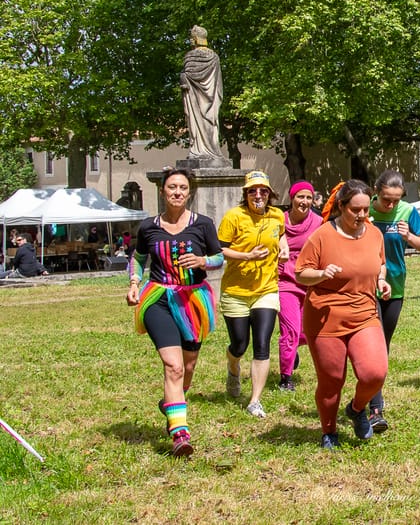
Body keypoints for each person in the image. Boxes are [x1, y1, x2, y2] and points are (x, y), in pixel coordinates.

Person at [126, 166, 224, 457]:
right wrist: (134, 283)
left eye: (182, 188)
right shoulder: (148, 227)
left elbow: (220, 258)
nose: (177, 192)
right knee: (174, 366)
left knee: (189, 369)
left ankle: (171, 402)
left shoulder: (203, 224)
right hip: (158, 297)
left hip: (193, 300)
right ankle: (180, 434)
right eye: (172, 188)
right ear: (162, 191)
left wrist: (204, 261)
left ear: (189, 192)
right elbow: (138, 258)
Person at [295, 180, 391, 449]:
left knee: (375, 373)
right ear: (341, 206)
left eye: (365, 210)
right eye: (355, 210)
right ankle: (329, 431)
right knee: (332, 380)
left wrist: (382, 281)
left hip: (364, 312)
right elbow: (301, 272)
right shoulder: (322, 236)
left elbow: (380, 265)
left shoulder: (374, 234)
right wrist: (321, 274)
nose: (361, 216)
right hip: (326, 316)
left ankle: (357, 408)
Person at [217, 170, 289, 418]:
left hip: (266, 289)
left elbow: (281, 236)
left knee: (262, 344)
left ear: (270, 194)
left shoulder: (277, 215)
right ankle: (233, 366)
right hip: (236, 291)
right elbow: (221, 250)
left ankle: (255, 400)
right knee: (239, 344)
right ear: (246, 194)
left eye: (263, 190)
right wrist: (247, 256)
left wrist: (284, 247)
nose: (257, 195)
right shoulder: (234, 217)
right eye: (252, 191)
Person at [367, 170, 420, 432]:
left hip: (394, 286)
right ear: (376, 191)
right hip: (365, 287)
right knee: (374, 345)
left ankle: (369, 393)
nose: (390, 205)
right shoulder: (363, 208)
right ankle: (375, 408)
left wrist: (409, 237)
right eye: (385, 200)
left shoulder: (407, 212)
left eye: (395, 200)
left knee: (383, 345)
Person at [277, 180, 323, 392]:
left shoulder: (318, 222)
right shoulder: (278, 221)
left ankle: (292, 351)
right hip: (284, 281)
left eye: (308, 198)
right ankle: (285, 378)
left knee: (306, 333)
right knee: (291, 331)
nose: (304, 202)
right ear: (291, 198)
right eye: (300, 197)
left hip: (309, 281)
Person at [181, 25, 224, 160]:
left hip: (195, 99)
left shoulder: (190, 56)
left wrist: (183, 76)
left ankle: (199, 150)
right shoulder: (214, 57)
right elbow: (217, 82)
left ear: (196, 38)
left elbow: (188, 75)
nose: (190, 40)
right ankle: (211, 150)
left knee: (196, 123)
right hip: (211, 101)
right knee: (211, 125)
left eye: (191, 37)